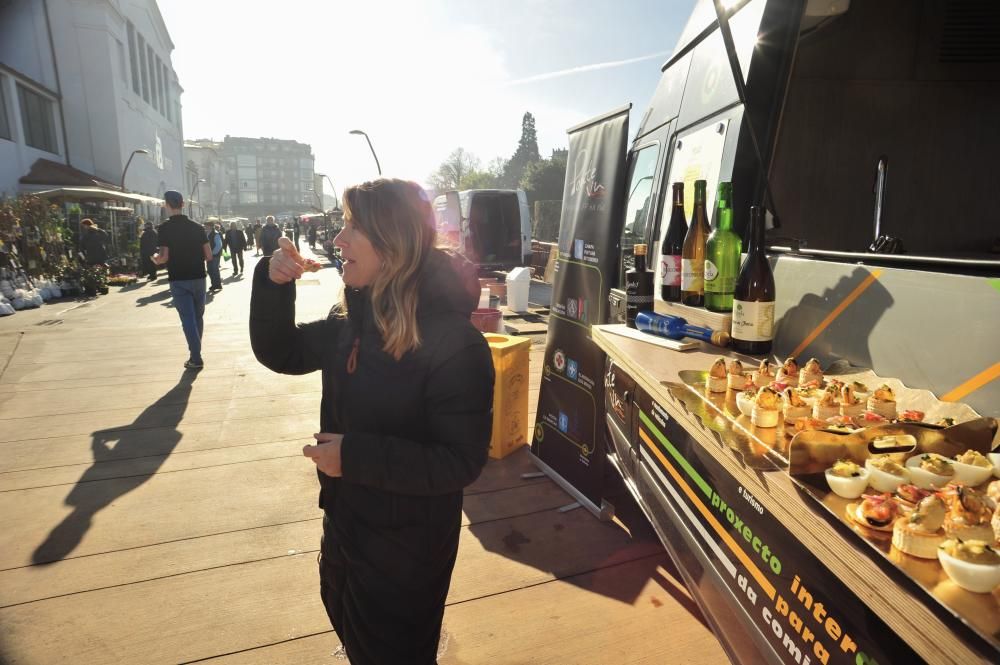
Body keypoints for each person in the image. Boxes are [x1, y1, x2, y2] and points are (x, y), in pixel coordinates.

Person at [250, 178, 494, 665]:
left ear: (393, 240)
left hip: (408, 552)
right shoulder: (351, 323)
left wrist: (353, 457)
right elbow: (282, 351)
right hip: (345, 525)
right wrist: (272, 282)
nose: (338, 240)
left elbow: (459, 461)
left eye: (352, 226)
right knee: (352, 628)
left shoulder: (456, 344)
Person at [152, 191, 212, 370]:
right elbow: (208, 255)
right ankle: (195, 354)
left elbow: (163, 257)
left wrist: (154, 258)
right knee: (198, 316)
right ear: (183, 204)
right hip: (199, 277)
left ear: (167, 205)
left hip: (178, 278)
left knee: (187, 318)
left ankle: (196, 357)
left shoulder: (164, 228)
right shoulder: (198, 227)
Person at [204, 221, 224, 291]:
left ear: (210, 226)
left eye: (206, 225)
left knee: (214, 270)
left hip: (215, 255)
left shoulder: (216, 234)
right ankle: (214, 284)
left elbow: (219, 245)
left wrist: (211, 253)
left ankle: (217, 285)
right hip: (209, 255)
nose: (205, 227)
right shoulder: (206, 233)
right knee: (209, 270)